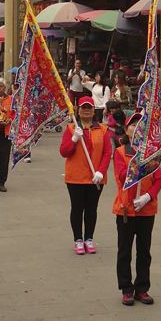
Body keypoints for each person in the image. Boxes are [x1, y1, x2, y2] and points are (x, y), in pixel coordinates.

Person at [112, 112, 161, 306]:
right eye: (133, 125)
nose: (136, 127)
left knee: (144, 251)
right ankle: (126, 288)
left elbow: (158, 180)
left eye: (140, 124)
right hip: (126, 209)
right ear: (126, 130)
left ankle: (142, 287)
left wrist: (147, 196)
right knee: (124, 251)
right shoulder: (120, 152)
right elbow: (125, 175)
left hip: (146, 208)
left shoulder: (153, 153)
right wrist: (139, 162)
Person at [59, 95, 111, 254]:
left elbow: (107, 152)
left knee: (91, 209)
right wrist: (74, 139)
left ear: (94, 109)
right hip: (75, 177)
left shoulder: (102, 129)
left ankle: (89, 238)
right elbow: (64, 152)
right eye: (83, 108)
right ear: (78, 110)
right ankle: (78, 240)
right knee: (77, 208)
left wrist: (101, 172)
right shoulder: (71, 129)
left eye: (89, 107)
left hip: (96, 178)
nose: (86, 110)